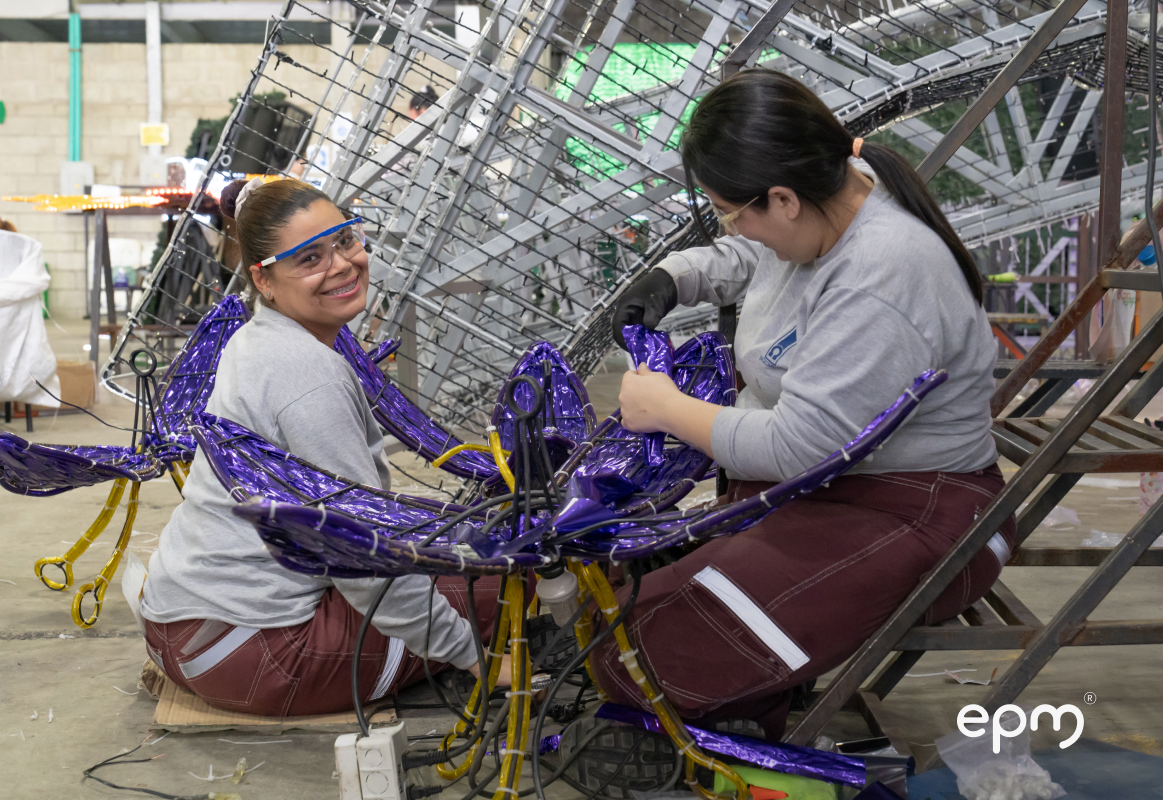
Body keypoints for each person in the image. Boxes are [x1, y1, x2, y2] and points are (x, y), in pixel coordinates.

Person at [589, 70, 1015, 744]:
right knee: (623, 601)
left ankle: (749, 695)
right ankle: (763, 676)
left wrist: (665, 407)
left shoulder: (882, 275)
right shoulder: (830, 205)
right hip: (829, 492)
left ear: (783, 198)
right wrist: (674, 278)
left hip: (921, 514)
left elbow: (797, 447)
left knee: (643, 657)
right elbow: (753, 255)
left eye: (733, 209)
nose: (735, 227)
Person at [140, 177, 506, 716]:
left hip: (185, 627)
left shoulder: (263, 337)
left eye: (345, 241)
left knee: (461, 557)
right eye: (309, 258)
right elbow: (358, 555)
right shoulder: (306, 375)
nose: (340, 265)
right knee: (510, 584)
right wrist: (475, 658)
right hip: (250, 653)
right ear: (263, 279)